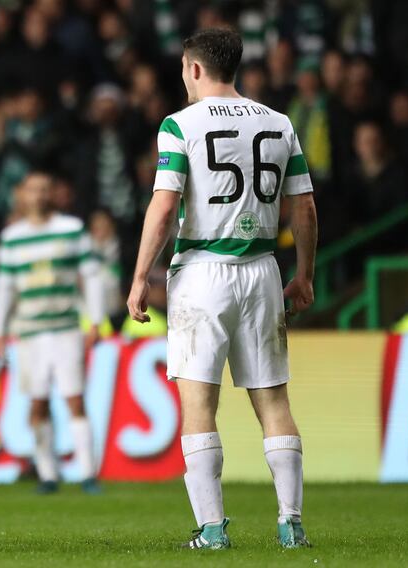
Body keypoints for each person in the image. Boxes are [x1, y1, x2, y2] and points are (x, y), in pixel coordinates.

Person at [126, 29, 317, 550]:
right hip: (262, 271)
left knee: (198, 406)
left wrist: (141, 274)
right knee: (273, 400)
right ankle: (291, 522)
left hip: (203, 272)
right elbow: (303, 206)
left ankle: (213, 529)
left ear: (192, 68)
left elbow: (165, 206)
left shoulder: (178, 125)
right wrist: (305, 274)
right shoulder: (279, 123)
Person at [0, 172, 105, 494]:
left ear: (53, 193)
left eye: (44, 189)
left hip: (66, 328)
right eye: (32, 190)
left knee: (74, 399)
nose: (38, 195)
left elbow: (91, 275)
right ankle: (48, 473)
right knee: (37, 403)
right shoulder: (12, 236)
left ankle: (87, 474)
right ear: (22, 196)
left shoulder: (71, 229)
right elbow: (5, 288)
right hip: (29, 332)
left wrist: (94, 320)